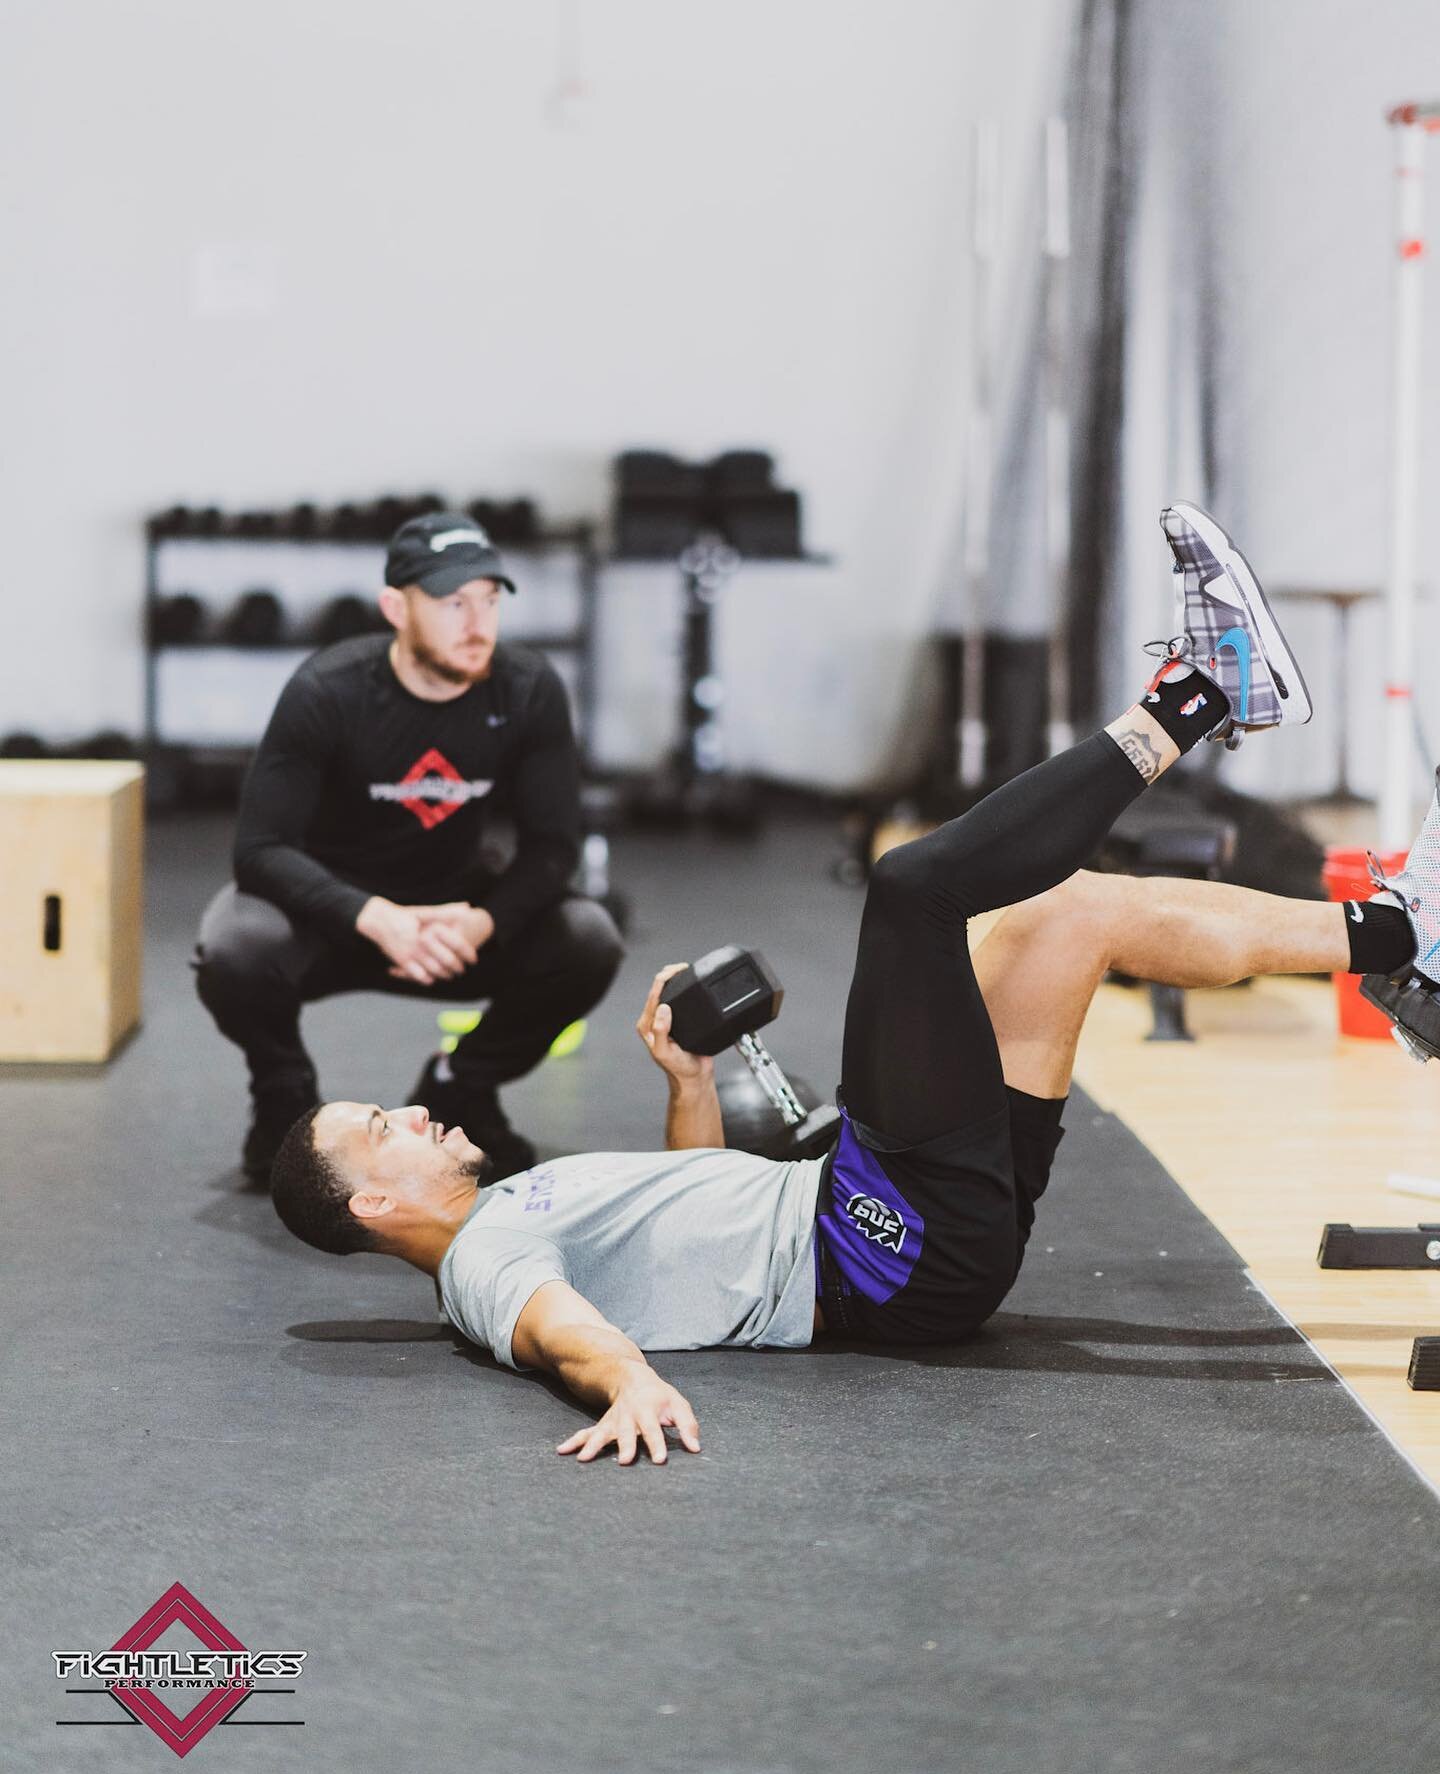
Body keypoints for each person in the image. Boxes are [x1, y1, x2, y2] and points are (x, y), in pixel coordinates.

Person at [268, 503, 1430, 1467]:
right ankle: (1202, 693)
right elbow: (566, 1333)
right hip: (880, 1244)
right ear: (376, 1205)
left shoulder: (511, 1208)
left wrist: (691, 1076)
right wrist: (625, 1386)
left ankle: (1398, 945)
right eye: (384, 1128)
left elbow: (695, 1210)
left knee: (1076, 909)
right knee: (914, 888)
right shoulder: (482, 1265)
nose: (412, 1111)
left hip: (903, 1235)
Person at [194, 510, 625, 1186]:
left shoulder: (527, 689)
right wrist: (374, 916)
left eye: (488, 599)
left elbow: (552, 846)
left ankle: (461, 1087)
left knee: (588, 937)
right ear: (396, 606)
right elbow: (259, 849)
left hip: (454, 916)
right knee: (234, 949)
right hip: (333, 917)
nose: (478, 623)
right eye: (454, 602)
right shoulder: (325, 691)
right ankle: (282, 1092)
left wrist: (484, 921)